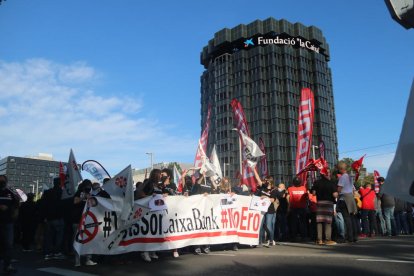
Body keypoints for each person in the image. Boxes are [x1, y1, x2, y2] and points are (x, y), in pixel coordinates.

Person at [40, 177, 66, 261]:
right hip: (58, 217)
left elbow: (43, 205)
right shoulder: (62, 193)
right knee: (58, 237)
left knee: (48, 237)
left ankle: (48, 253)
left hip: (49, 218)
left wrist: (44, 217)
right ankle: (56, 252)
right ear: (60, 183)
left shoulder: (47, 192)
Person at [72, 180, 97, 266]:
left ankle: (88, 259)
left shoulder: (91, 194)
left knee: (89, 239)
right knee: (77, 239)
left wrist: (90, 198)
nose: (89, 188)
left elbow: (93, 204)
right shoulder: (79, 192)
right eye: (88, 186)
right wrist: (84, 197)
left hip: (87, 220)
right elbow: (75, 201)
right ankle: (77, 260)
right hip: (78, 220)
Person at [139, 169, 162, 262]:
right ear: (155, 175)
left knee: (155, 231)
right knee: (148, 232)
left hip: (157, 211)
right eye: (159, 174)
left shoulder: (158, 185)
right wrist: (150, 197)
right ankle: (145, 251)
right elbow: (141, 194)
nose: (161, 176)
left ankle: (153, 250)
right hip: (149, 211)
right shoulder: (149, 183)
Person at [312, 171, 338, 245]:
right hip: (328, 203)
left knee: (319, 221)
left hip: (320, 203)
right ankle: (327, 239)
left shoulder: (316, 182)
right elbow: (335, 195)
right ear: (327, 174)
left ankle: (319, 240)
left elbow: (313, 193)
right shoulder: (331, 183)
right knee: (328, 221)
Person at [0, 175, 19, 274]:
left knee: (8, 245)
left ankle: (7, 265)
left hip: (8, 222)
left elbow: (16, 203)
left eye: (3, 181)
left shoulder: (10, 192)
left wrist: (15, 212)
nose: (1, 183)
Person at [336, 162, 358, 243]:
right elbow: (353, 188)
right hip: (351, 198)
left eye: (338, 169)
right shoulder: (349, 177)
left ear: (341, 169)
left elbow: (339, 189)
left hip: (344, 198)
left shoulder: (342, 177)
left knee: (347, 219)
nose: (338, 171)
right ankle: (354, 236)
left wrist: (336, 193)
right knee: (352, 218)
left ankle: (349, 237)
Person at [160, 168, 180, 258]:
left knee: (173, 229)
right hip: (163, 210)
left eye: (163, 174)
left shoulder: (172, 184)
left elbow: (176, 194)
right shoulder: (160, 185)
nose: (162, 176)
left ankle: (175, 249)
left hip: (172, 210)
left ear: (168, 176)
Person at [287, 177, 308, 242]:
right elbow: (306, 198)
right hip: (302, 207)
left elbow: (288, 198)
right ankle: (303, 237)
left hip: (293, 207)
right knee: (303, 223)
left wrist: (288, 207)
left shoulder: (290, 189)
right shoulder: (304, 188)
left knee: (294, 223)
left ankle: (293, 237)